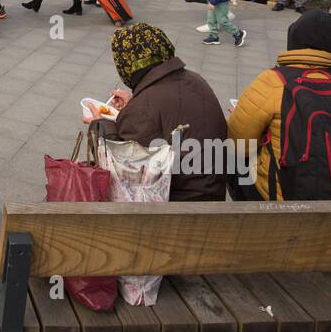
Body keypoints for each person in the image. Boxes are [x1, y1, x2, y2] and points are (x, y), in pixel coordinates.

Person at [227, 10, 331, 201]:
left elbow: (239, 144)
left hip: (288, 202)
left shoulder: (272, 81)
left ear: (294, 41)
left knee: (230, 156)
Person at [93, 23, 229, 201]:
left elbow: (127, 170)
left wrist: (100, 125)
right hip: (212, 191)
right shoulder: (196, 79)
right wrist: (135, 103)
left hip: (176, 206)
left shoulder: (141, 109)